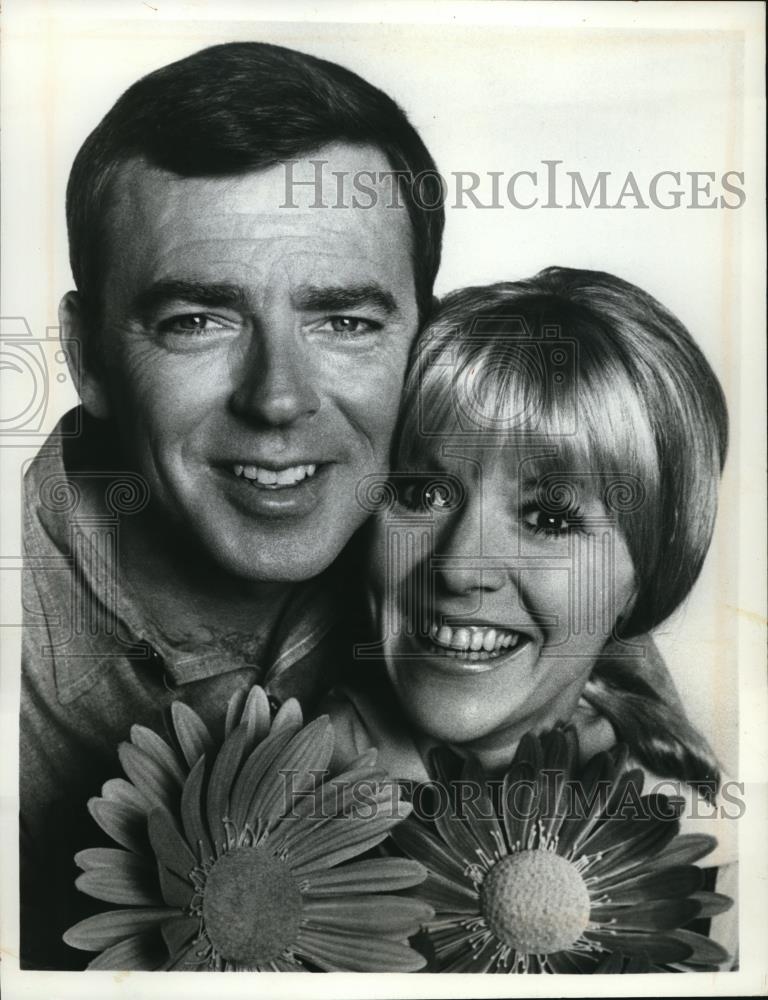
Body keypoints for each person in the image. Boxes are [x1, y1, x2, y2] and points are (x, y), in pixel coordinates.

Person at [20, 39, 444, 970]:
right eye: (198, 321)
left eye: (345, 321)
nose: (279, 398)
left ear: (425, 336)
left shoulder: (498, 572)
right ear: (88, 356)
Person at [323, 267, 736, 956]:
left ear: (646, 577)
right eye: (423, 493)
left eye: (548, 517)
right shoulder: (266, 777)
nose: (459, 566)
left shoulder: (693, 846)